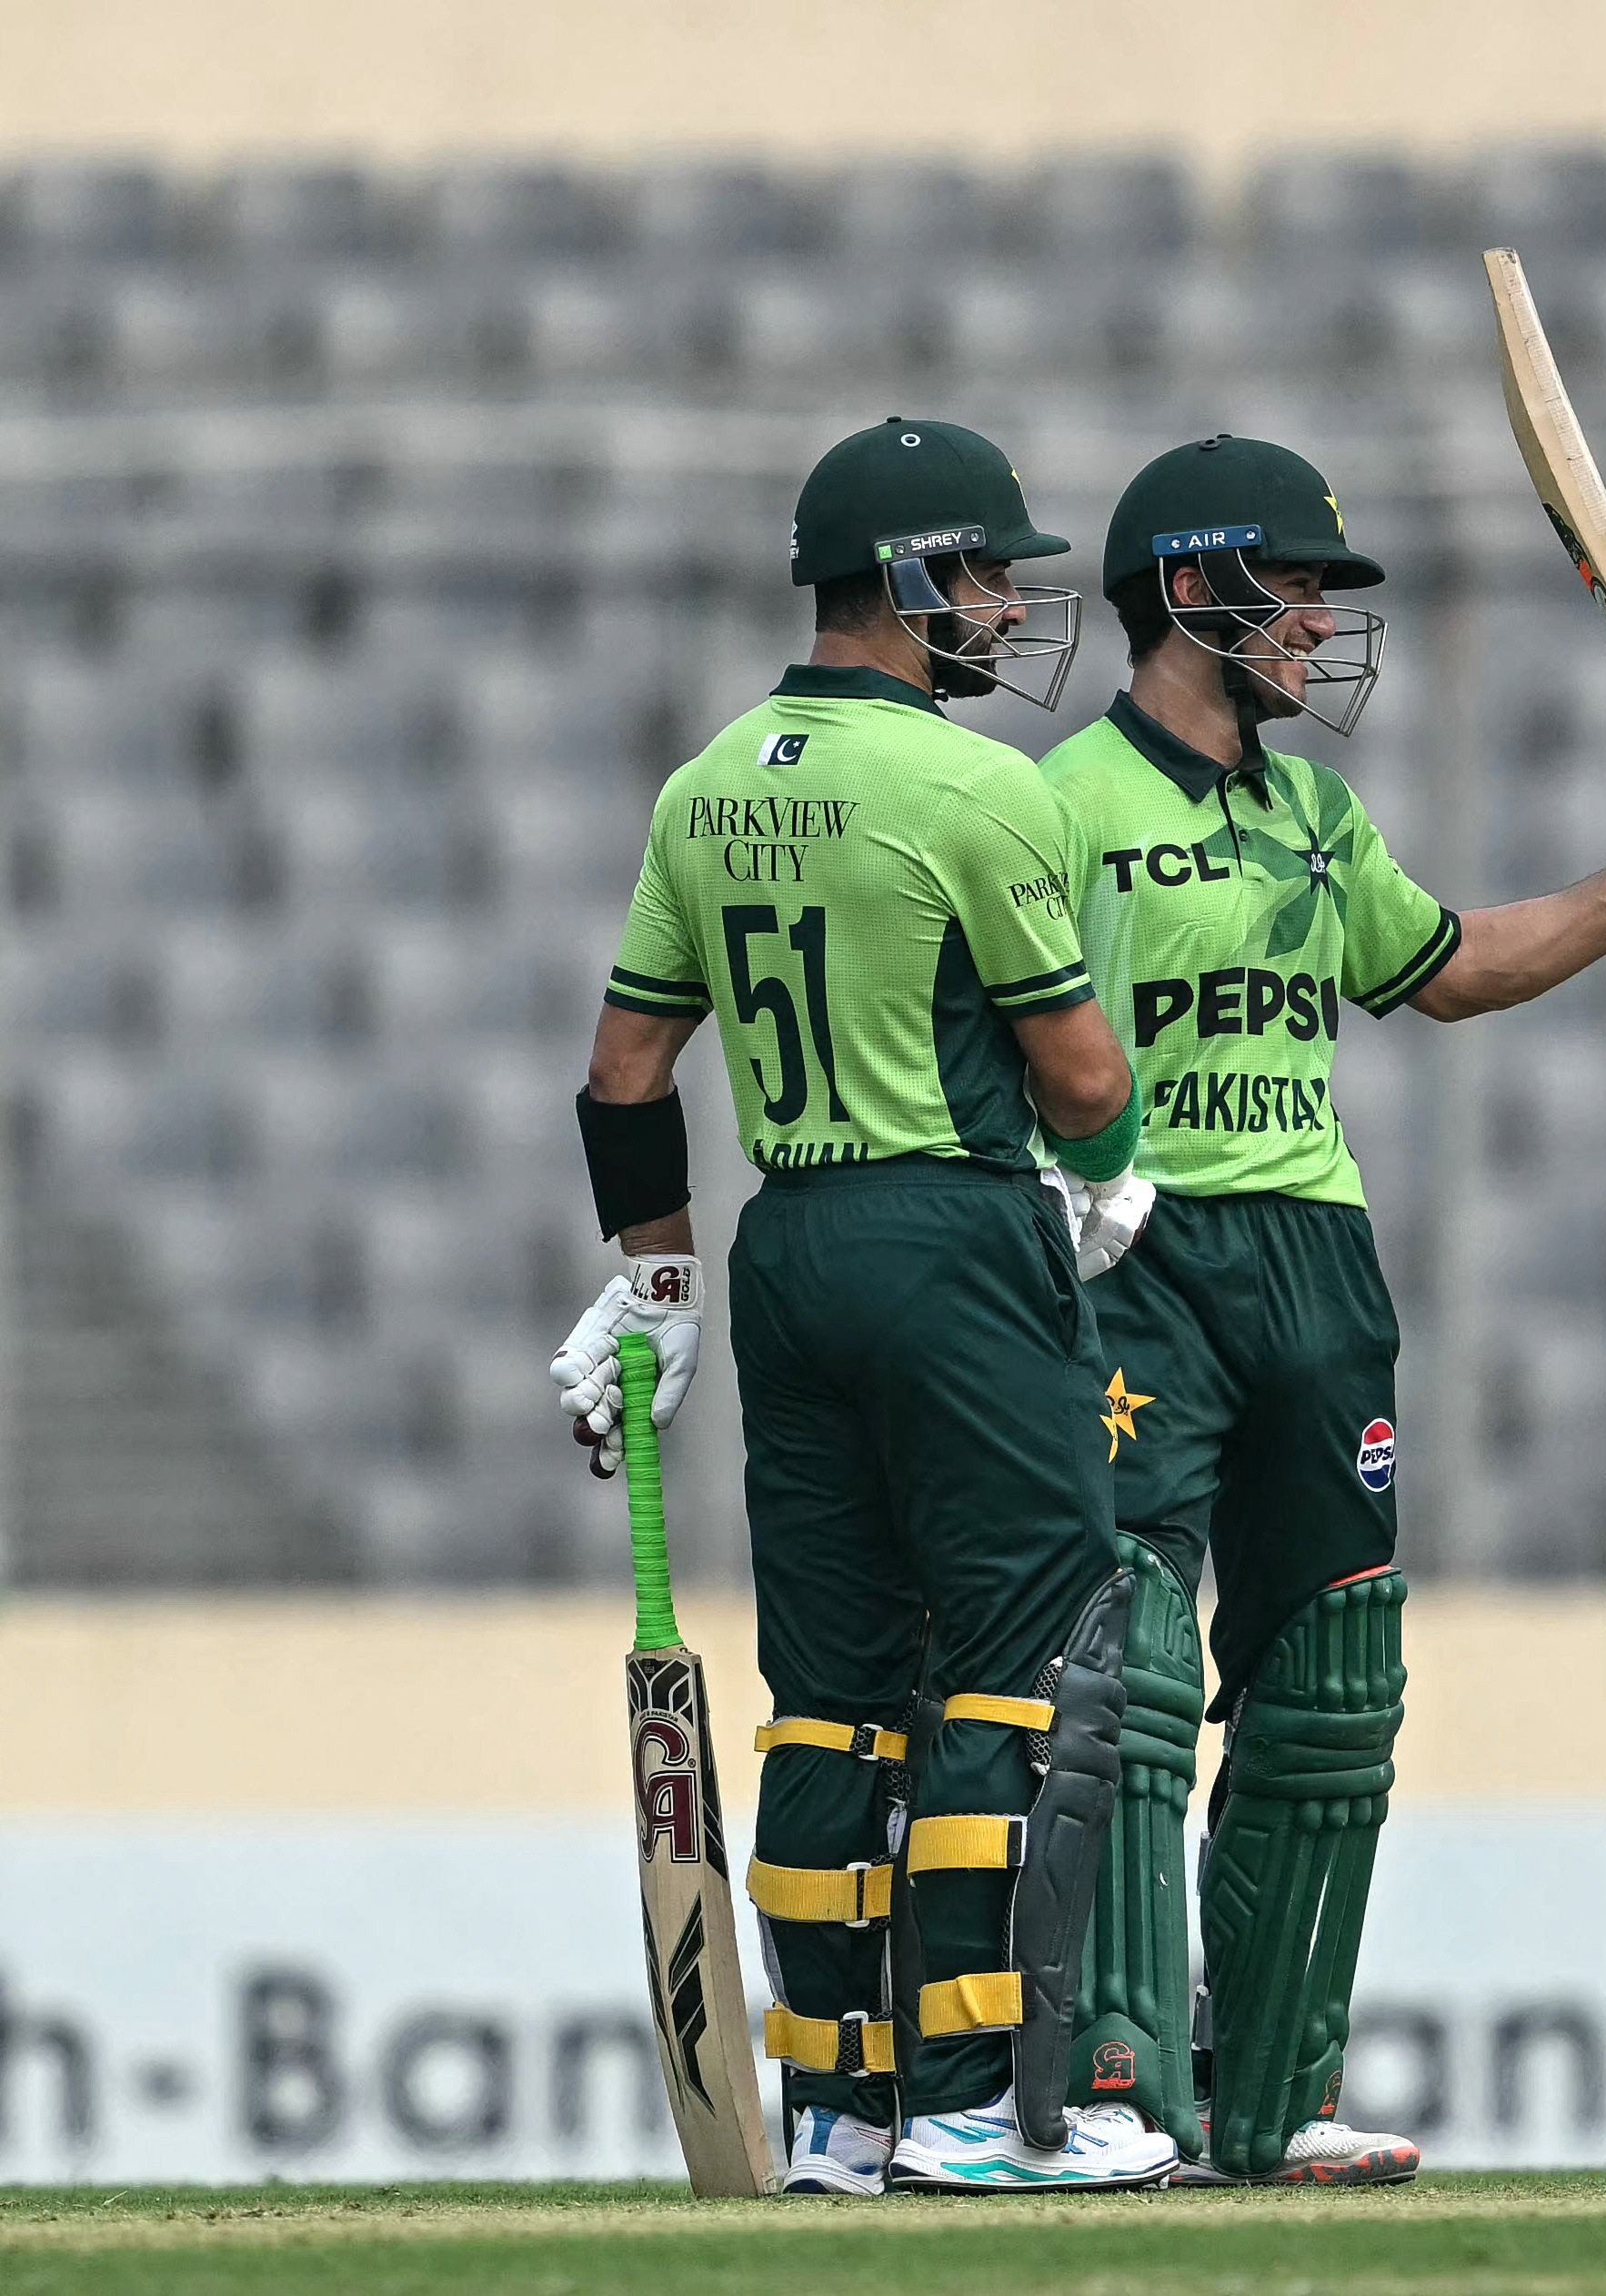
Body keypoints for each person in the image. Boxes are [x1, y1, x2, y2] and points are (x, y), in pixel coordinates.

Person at [1033, 433, 1606, 2184]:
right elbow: (985, 1014)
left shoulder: (1316, 814)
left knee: (1331, 1679)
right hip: (1131, 1250)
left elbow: (1445, 967)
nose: (1319, 622)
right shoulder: (1063, 802)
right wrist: (1039, 1171)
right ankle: (1111, 2083)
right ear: (1189, 592)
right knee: (1129, 1660)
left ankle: (1273, 2094)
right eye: (1293, 588)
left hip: (1312, 1256)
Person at [548, 416, 1170, 2198]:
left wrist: (654, 1277)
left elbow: (623, 1066)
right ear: (908, 580)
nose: (1002, 604)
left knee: (825, 1697)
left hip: (787, 1246)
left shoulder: (705, 784)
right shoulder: (981, 788)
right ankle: (984, 2097)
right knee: (1019, 1663)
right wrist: (1108, 1165)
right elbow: (1075, 1061)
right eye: (985, 573)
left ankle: (838, 2105)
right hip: (951, 1236)